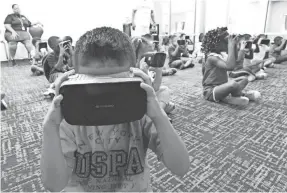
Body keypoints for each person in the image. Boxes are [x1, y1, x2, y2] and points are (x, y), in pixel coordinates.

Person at [40, 27, 190, 192]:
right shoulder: (69, 116)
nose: (105, 96)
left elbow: (180, 166)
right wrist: (50, 127)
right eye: (96, 84)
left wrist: (158, 115)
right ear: (76, 78)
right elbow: (54, 184)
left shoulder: (140, 111)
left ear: (133, 75)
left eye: (114, 84)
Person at [201, 27, 261, 106]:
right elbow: (230, 67)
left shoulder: (221, 55)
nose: (228, 42)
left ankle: (228, 96)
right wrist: (230, 46)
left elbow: (235, 61)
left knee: (244, 79)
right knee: (233, 84)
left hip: (222, 85)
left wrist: (234, 46)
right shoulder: (212, 58)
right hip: (211, 91)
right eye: (226, 41)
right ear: (217, 43)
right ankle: (239, 95)